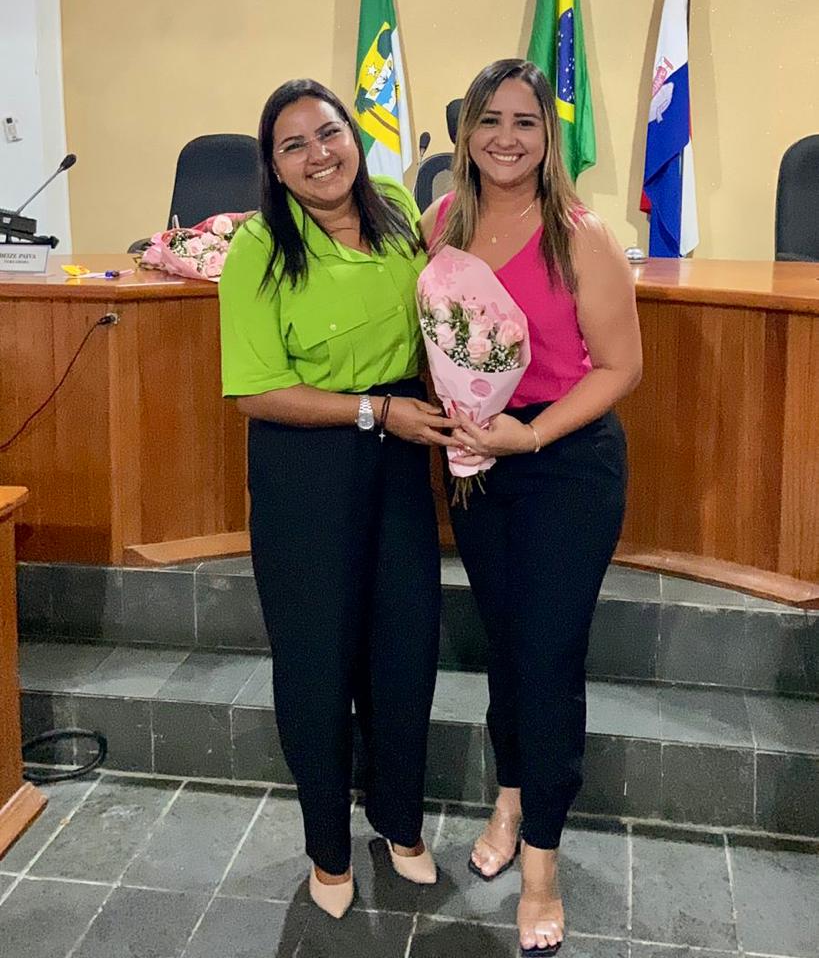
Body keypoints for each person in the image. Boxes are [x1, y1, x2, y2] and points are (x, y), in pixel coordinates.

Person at [420, 59, 642, 957]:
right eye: (489, 120)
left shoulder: (579, 237)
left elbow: (621, 367)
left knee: (547, 659)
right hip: (479, 467)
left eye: (525, 122)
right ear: (465, 131)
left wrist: (533, 434)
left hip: (564, 467)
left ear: (549, 137)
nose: (505, 138)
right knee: (507, 646)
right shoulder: (440, 221)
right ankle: (509, 797)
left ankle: (542, 864)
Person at [219, 79, 454, 920]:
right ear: (274, 167)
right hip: (305, 463)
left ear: (354, 136)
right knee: (316, 661)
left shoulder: (396, 205)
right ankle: (327, 845)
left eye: (329, 133)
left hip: (398, 457)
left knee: (404, 648)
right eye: (294, 146)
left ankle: (400, 823)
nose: (318, 155)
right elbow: (254, 391)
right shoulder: (259, 247)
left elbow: (438, 313)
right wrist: (375, 412)